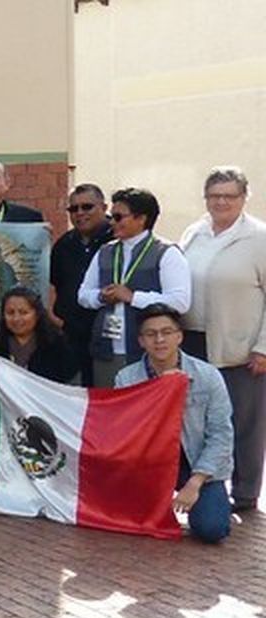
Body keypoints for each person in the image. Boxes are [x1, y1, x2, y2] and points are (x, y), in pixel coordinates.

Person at [178, 166, 266, 512]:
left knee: (244, 421)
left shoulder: (259, 238)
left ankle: (244, 493)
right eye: (214, 196)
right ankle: (204, 487)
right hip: (193, 342)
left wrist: (263, 348)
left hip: (239, 348)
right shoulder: (194, 232)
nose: (221, 202)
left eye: (229, 196)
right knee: (198, 419)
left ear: (244, 197)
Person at [114, 304, 233, 543]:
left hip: (196, 463)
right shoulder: (126, 378)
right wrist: (157, 391)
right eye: (151, 334)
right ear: (141, 341)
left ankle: (211, 502)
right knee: (125, 521)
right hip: (149, 465)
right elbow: (125, 431)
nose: (159, 340)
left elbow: (221, 435)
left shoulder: (208, 376)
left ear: (179, 336)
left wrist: (195, 482)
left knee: (212, 528)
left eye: (167, 332)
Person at [76, 187, 190, 387]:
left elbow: (179, 302)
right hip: (107, 350)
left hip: (148, 351)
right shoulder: (105, 251)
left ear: (141, 219)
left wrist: (132, 297)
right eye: (112, 216)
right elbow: (83, 295)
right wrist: (101, 297)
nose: (112, 222)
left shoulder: (167, 252)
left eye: (118, 217)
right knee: (109, 402)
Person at [50, 183, 114, 385]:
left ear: (104, 207)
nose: (80, 213)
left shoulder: (118, 241)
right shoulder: (64, 245)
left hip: (110, 336)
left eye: (87, 207)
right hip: (73, 338)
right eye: (73, 208)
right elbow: (57, 285)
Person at [0, 286, 78, 383]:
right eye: (10, 313)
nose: (16, 318)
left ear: (37, 314)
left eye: (23, 312)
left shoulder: (58, 348)